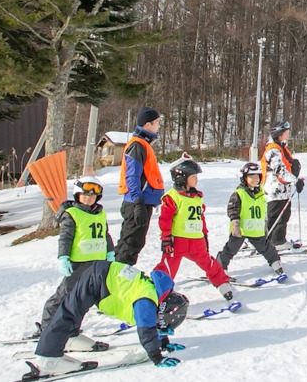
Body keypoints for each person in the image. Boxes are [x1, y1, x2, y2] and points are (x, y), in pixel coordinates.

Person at [30, 260, 189, 375]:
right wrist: (156, 357)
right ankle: (48, 358)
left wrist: (163, 342)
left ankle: (71, 336)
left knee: (75, 310)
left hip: (102, 273)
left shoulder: (156, 293)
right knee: (69, 312)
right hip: (97, 279)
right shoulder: (146, 302)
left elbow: (154, 322)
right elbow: (146, 329)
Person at [33, 176, 116, 339]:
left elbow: (105, 235)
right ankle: (47, 326)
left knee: (84, 297)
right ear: (77, 195)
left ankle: (72, 326)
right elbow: (65, 238)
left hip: (97, 263)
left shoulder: (100, 213)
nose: (88, 198)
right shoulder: (72, 214)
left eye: (92, 195)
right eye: (85, 195)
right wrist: (63, 257)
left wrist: (110, 252)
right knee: (65, 293)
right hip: (78, 263)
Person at [153, 156, 234, 300]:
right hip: (178, 242)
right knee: (167, 268)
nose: (196, 179)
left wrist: (205, 236)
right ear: (181, 178)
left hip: (197, 242)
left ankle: (223, 285)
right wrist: (166, 238)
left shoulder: (197, 198)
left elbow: (201, 219)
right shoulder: (172, 197)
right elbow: (165, 220)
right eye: (193, 177)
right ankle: (156, 294)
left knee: (210, 264)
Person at [116, 106, 165, 265]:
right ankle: (119, 275)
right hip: (137, 202)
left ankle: (118, 272)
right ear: (147, 125)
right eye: (157, 122)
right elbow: (132, 176)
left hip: (140, 201)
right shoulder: (137, 145)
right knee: (130, 245)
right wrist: (138, 203)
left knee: (130, 243)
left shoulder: (142, 144)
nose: (159, 126)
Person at [215, 162, 284, 275]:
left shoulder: (261, 193)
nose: (254, 180)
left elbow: (263, 210)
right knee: (231, 248)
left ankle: (275, 262)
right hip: (241, 229)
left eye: (257, 177)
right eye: (251, 177)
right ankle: (220, 267)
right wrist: (235, 224)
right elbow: (232, 209)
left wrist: (264, 225)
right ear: (244, 178)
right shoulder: (239, 193)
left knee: (265, 247)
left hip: (256, 229)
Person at [262, 121, 304, 250]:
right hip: (275, 189)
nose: (288, 135)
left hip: (282, 189)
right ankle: (276, 241)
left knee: (284, 214)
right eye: (286, 132)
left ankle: (276, 239)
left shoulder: (280, 147)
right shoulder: (273, 150)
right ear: (279, 134)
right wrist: (295, 181)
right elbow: (279, 170)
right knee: (277, 215)